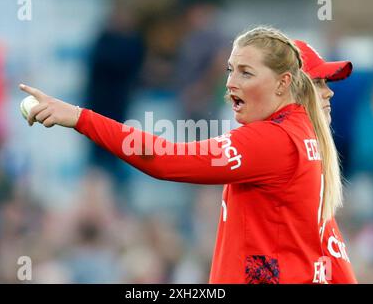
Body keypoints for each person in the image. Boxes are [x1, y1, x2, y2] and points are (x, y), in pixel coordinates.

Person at [19, 26, 343, 284]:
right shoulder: (304, 141)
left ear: (284, 83)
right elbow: (334, 254)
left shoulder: (273, 139)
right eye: (232, 70)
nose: (230, 82)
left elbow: (166, 159)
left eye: (246, 72)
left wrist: (81, 118)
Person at [295, 39, 357, 283]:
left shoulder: (311, 149)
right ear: (293, 87)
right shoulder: (278, 145)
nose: (329, 91)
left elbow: (330, 245)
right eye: (318, 82)